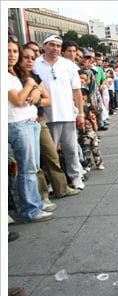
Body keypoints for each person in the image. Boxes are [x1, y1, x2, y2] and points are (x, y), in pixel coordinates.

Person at [20, 46, 80, 201]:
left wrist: (36, 95)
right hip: (22, 123)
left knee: (53, 156)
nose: (29, 61)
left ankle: (62, 187)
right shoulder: (15, 78)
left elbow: (46, 99)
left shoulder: (34, 76)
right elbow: (19, 100)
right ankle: (42, 196)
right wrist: (31, 88)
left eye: (32, 58)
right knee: (33, 162)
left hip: (39, 120)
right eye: (25, 57)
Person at [8, 36, 54, 222]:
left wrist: (33, 89)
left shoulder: (13, 73)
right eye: (8, 51)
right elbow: (18, 100)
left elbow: (40, 97)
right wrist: (29, 85)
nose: (11, 55)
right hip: (18, 124)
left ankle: (35, 203)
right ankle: (30, 209)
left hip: (30, 121)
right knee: (27, 168)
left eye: (14, 51)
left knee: (32, 167)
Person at [33, 34, 85, 190]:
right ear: (44, 46)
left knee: (71, 149)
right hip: (45, 115)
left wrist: (81, 113)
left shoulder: (68, 65)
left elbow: (77, 92)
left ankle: (76, 177)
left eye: (57, 46)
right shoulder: (36, 64)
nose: (55, 48)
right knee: (49, 153)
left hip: (67, 114)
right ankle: (52, 181)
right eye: (51, 45)